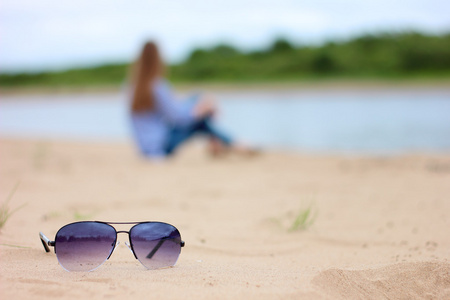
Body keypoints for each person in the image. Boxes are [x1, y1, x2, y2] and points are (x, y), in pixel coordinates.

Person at [129, 41, 255, 159]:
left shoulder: (131, 86)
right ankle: (231, 143)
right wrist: (202, 108)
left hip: (144, 148)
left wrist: (199, 104)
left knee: (197, 98)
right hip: (161, 146)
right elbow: (178, 118)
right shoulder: (157, 86)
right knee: (200, 120)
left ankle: (219, 143)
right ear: (158, 60)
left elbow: (171, 112)